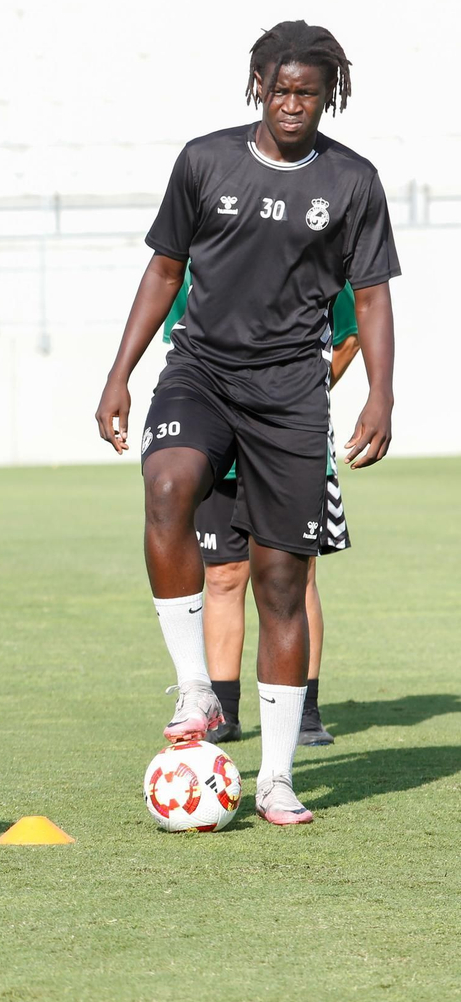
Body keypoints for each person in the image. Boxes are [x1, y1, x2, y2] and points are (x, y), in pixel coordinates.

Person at [94, 20, 398, 827]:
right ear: (257, 82)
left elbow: (370, 298)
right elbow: (165, 268)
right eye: (281, 87)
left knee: (282, 583)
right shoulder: (204, 160)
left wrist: (380, 395)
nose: (294, 103)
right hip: (200, 370)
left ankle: (276, 778)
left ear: (330, 94)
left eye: (310, 91)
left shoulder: (354, 183)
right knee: (168, 484)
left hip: (292, 394)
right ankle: (197, 685)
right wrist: (119, 374)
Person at [167, 270, 360, 747]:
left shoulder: (310, 250)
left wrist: (288, 408)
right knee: (222, 576)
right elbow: (180, 343)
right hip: (219, 453)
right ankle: (222, 712)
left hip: (288, 447)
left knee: (295, 580)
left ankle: (307, 712)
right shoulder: (192, 266)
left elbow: (348, 337)